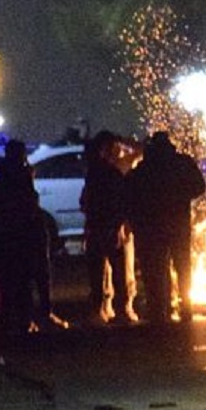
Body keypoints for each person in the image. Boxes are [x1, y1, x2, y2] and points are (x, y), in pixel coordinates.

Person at [125, 131, 206, 323]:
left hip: (153, 225)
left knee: (156, 267)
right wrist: (181, 196)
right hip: (178, 222)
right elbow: (199, 187)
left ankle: (160, 308)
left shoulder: (146, 168)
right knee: (182, 266)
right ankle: (185, 307)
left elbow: (131, 193)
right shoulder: (182, 163)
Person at [0, 139, 52, 334]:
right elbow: (29, 203)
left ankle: (10, 320)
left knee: (10, 280)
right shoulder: (20, 177)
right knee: (25, 278)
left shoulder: (2, 179)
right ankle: (26, 319)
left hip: (7, 236)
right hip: (23, 235)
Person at [81, 131, 131, 325]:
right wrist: (118, 224)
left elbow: (85, 202)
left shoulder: (93, 173)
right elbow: (122, 201)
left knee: (97, 273)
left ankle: (98, 311)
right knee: (117, 271)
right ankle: (120, 311)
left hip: (96, 226)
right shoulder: (111, 173)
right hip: (108, 227)